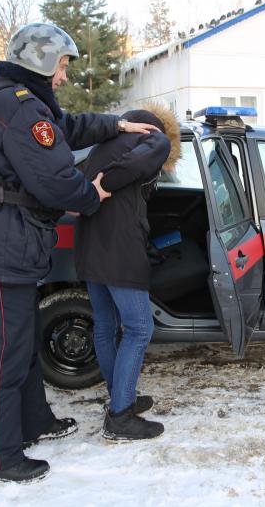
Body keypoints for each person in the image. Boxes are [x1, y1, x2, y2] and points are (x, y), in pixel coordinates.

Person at [0, 22, 159, 484]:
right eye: (63, 65)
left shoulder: (15, 101)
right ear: (41, 60)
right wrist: (93, 194)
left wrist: (118, 124)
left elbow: (66, 128)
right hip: (0, 242)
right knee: (3, 354)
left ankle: (34, 422)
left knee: (19, 347)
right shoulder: (18, 106)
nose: (64, 76)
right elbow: (54, 176)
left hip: (7, 242)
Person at [74, 104, 181, 440]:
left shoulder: (105, 144)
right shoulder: (157, 138)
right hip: (119, 248)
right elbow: (135, 166)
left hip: (90, 245)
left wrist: (95, 189)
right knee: (138, 328)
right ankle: (120, 416)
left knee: (106, 325)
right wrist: (106, 184)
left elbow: (80, 177)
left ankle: (120, 398)